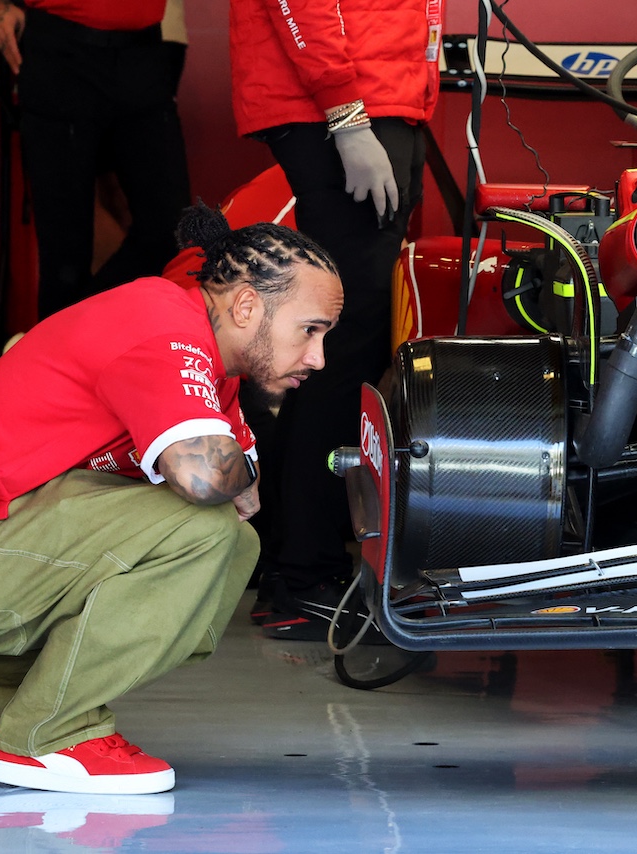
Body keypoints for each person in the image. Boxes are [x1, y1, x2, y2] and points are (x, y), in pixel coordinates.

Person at [0, 204, 343, 795]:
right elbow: (212, 481)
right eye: (310, 330)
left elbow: (240, 493)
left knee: (231, 545)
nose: (317, 358)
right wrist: (228, 472)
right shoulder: (163, 330)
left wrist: (231, 473)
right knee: (202, 532)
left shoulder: (210, 357)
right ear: (248, 305)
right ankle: (45, 736)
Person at [227, 0, 442, 639]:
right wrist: (347, 118)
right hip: (344, 109)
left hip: (385, 100)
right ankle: (303, 577)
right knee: (342, 345)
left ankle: (288, 557)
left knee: (348, 343)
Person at [0, 0, 192, 318]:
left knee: (171, 230)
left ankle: (70, 333)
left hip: (145, 49)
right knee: (65, 253)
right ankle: (59, 353)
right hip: (61, 52)